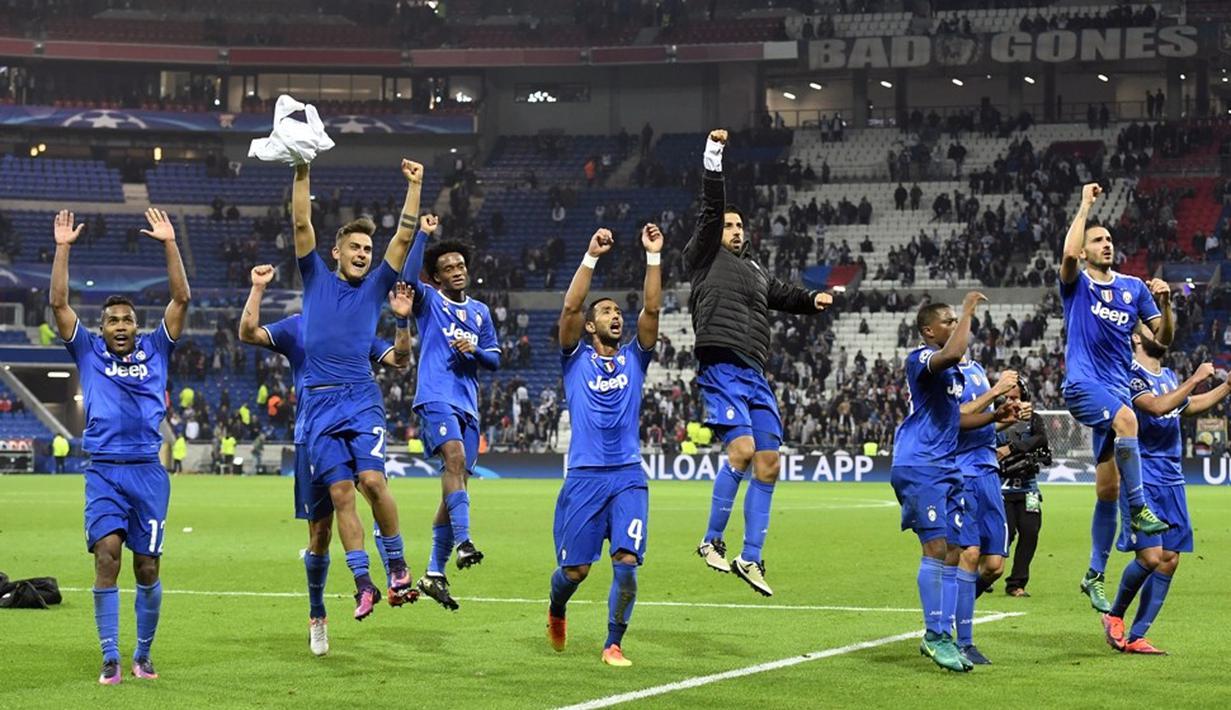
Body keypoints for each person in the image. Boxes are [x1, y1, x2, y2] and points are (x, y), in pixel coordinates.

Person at [238, 263, 413, 655]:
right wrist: (257, 288)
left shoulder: (353, 324)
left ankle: (386, 571)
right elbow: (247, 333)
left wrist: (402, 324)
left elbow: (399, 360)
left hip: (355, 418)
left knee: (370, 484)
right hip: (312, 434)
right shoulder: (296, 327)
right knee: (319, 535)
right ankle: (317, 614)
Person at [689, 129, 834, 597]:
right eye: (727, 225)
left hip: (755, 372)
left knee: (769, 462)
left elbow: (784, 294)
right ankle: (710, 541)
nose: (733, 230)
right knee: (744, 451)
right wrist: (714, 155)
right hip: (722, 362)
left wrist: (813, 299)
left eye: (738, 226)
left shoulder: (754, 270)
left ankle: (750, 557)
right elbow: (712, 206)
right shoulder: (706, 254)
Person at [50, 207, 190, 684]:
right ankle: (110, 655)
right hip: (104, 471)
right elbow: (59, 305)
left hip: (148, 473)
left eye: (128, 319)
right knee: (107, 554)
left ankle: (143, 653)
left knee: (147, 566)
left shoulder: (158, 347)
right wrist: (63, 248)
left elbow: (181, 297)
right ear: (103, 328)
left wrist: (170, 243)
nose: (122, 326)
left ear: (137, 324)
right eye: (112, 320)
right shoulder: (87, 350)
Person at [291, 158, 422, 620]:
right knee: (343, 494)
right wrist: (302, 167)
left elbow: (404, 237)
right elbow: (301, 219)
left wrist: (415, 185)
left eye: (368, 247)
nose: (365, 253)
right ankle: (364, 583)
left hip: (360, 397)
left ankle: (399, 564)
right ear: (337, 251)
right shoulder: (315, 279)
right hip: (318, 403)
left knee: (371, 480)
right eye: (356, 247)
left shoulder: (376, 287)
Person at [546, 223, 662, 667]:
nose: (617, 316)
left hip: (628, 475)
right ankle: (557, 608)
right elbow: (571, 304)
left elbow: (651, 309)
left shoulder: (636, 356)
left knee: (627, 562)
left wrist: (653, 255)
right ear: (591, 325)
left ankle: (613, 642)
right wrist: (591, 255)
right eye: (607, 311)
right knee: (575, 571)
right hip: (584, 476)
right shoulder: (574, 358)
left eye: (619, 311)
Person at [1059, 183, 1172, 615]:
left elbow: (1160, 341)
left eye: (1109, 239)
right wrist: (1085, 204)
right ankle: (1141, 510)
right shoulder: (1077, 286)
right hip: (1084, 387)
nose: (1106, 244)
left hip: (1116, 392)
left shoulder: (1133, 288)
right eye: (1098, 240)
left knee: (1107, 491)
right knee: (1130, 421)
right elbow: (1068, 256)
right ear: (1086, 250)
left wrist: (1165, 303)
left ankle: (1093, 573)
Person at [1101, 328, 1229, 654]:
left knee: (1170, 559)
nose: (1158, 332)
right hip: (1142, 478)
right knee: (1151, 556)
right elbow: (1156, 407)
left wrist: (1227, 388)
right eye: (1149, 328)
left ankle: (1137, 635)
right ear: (1135, 338)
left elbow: (1186, 405)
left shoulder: (1168, 374)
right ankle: (1114, 615)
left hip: (1172, 479)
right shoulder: (1127, 374)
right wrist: (1196, 377)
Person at [400, 214, 501, 610]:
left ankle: (433, 573)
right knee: (454, 460)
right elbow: (408, 278)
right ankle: (464, 542)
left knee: (456, 483)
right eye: (448, 268)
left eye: (460, 266)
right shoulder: (429, 301)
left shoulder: (481, 313)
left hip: (468, 405)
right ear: (437, 278)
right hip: (436, 395)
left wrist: (473, 350)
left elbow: (494, 358)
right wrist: (423, 233)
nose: (457, 271)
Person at [890, 291, 985, 673]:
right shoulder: (922, 359)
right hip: (920, 464)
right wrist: (966, 312)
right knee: (935, 548)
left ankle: (943, 633)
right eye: (945, 322)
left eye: (954, 320)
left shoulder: (950, 375)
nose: (954, 326)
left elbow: (957, 421)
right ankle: (934, 635)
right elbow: (952, 352)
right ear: (929, 330)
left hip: (946, 466)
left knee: (953, 549)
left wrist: (998, 416)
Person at [953, 361, 1021, 664]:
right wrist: (996, 391)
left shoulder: (979, 368)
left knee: (994, 566)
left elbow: (981, 427)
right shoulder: (945, 373)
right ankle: (964, 642)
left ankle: (955, 608)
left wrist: (1004, 420)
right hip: (962, 472)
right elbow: (956, 418)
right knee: (969, 554)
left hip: (989, 475)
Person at [997, 384, 1046, 597]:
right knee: (1003, 536)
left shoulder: (1033, 419)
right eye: (1006, 398)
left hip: (1029, 488)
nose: (1011, 402)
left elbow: (1042, 440)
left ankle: (1016, 583)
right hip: (1002, 489)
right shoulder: (994, 419)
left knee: (1030, 532)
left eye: (1015, 397)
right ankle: (986, 571)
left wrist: (1012, 448)